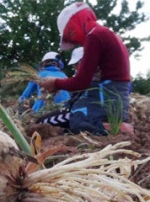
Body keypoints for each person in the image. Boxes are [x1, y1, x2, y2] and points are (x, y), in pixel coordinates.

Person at [38, 2, 131, 135]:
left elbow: (81, 82)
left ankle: (116, 127)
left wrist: (55, 83)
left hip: (106, 100)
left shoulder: (94, 36)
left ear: (76, 22)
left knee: (76, 122)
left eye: (70, 33)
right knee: (52, 123)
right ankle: (111, 122)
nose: (73, 40)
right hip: (115, 101)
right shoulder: (107, 34)